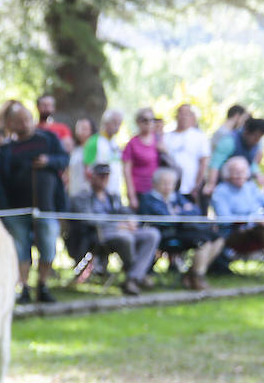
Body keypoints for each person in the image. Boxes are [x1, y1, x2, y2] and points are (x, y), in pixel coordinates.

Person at [0, 101, 68, 303]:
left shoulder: (49, 139)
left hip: (46, 207)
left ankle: (42, 285)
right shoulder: (6, 150)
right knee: (21, 248)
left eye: (27, 119)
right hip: (16, 209)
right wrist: (4, 207)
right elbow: (0, 180)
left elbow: (64, 159)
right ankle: (24, 286)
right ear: (11, 124)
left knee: (47, 245)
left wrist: (49, 162)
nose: (24, 124)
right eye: (19, 121)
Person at [71, 162, 160, 296]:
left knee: (152, 234)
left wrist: (131, 220)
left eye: (106, 176)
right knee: (126, 238)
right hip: (99, 235)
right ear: (92, 176)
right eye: (100, 176)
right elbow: (87, 219)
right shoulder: (82, 197)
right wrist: (116, 225)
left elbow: (125, 211)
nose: (104, 179)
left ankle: (134, 276)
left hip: (121, 231)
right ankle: (136, 276)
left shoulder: (112, 197)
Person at [138, 166, 223, 290]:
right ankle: (196, 277)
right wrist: (182, 212)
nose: (168, 187)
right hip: (164, 236)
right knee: (203, 240)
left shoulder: (177, 197)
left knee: (217, 238)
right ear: (155, 184)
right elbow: (165, 218)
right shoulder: (148, 199)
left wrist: (178, 214)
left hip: (183, 231)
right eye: (164, 183)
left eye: (171, 183)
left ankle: (193, 274)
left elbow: (195, 211)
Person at [162, 104, 210, 204]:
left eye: (187, 114)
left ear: (192, 117)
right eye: (181, 113)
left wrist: (197, 184)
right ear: (176, 116)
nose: (183, 116)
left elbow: (204, 162)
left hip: (191, 188)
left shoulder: (199, 136)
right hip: (170, 188)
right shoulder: (166, 137)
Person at [207, 116, 264, 192]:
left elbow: (251, 163)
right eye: (255, 137)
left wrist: (258, 175)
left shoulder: (255, 145)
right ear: (247, 132)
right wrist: (211, 184)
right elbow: (215, 164)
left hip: (239, 189)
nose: (257, 141)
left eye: (259, 138)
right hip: (222, 184)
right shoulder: (229, 141)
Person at [122, 107, 161, 210]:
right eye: (145, 120)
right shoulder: (132, 144)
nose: (148, 123)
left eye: (152, 120)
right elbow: (126, 171)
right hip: (139, 191)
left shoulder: (159, 140)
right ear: (138, 122)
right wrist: (132, 196)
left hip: (157, 191)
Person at [83, 109, 124, 201]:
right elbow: (87, 169)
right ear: (106, 122)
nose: (117, 127)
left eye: (119, 123)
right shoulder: (94, 141)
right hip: (98, 196)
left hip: (114, 192)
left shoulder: (115, 144)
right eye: (114, 123)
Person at [67, 116, 94, 199]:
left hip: (87, 193)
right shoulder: (75, 150)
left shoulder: (94, 149)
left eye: (84, 128)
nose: (80, 131)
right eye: (79, 128)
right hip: (73, 193)